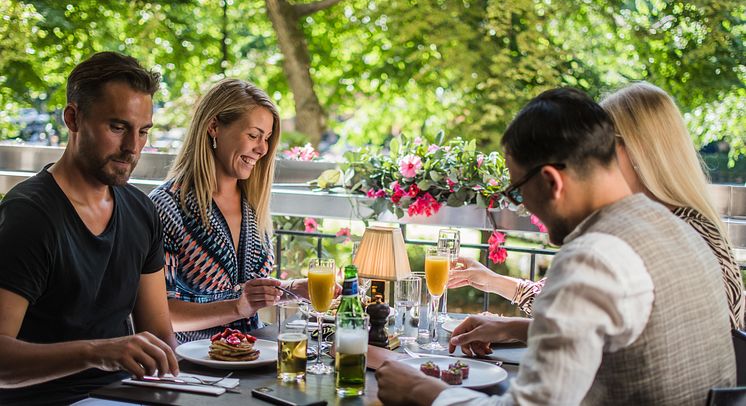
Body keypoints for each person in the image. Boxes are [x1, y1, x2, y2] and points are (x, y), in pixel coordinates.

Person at [376, 88, 735, 405]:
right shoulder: (679, 228)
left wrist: (421, 391)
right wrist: (518, 328)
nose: (523, 206)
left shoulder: (594, 256)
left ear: (550, 181)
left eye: (517, 191)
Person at [449, 81, 744, 330]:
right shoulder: (677, 223)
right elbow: (601, 325)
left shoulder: (659, 236)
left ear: (632, 150)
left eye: (602, 143)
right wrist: (500, 299)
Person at [0, 52, 179, 405]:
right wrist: (98, 352)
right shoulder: (28, 216)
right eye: (117, 127)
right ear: (73, 118)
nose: (132, 148)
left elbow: (159, 334)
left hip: (127, 396)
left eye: (143, 131)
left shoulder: (141, 210)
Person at [149, 78, 314, 343]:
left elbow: (245, 292)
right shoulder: (167, 207)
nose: (262, 149)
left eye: (267, 138)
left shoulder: (252, 204)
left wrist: (289, 290)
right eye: (253, 135)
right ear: (214, 126)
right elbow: (159, 314)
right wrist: (237, 307)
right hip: (193, 369)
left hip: (254, 357)